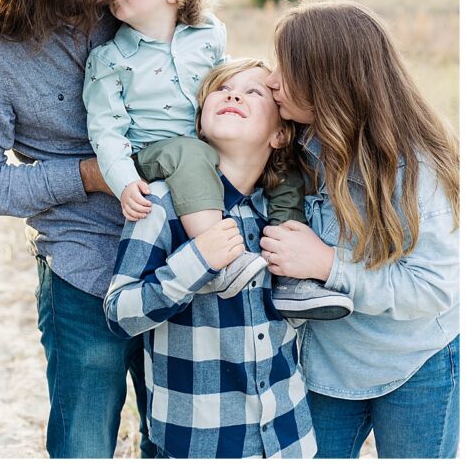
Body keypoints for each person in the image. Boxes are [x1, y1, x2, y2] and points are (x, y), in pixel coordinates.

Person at [0, 0, 152, 458]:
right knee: (84, 438)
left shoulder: (131, 13)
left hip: (177, 251)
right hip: (81, 260)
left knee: (175, 430)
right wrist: (90, 175)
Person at [84, 0, 351, 318]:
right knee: (191, 154)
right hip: (151, 155)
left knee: (286, 175)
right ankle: (223, 261)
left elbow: (225, 82)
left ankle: (293, 278)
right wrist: (123, 182)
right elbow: (106, 131)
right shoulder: (109, 59)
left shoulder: (207, 34)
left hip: (204, 153)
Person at [260, 0, 459, 459]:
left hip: (415, 361)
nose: (272, 80)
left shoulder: (417, 166)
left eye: (287, 68)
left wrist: (328, 264)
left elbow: (432, 289)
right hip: (324, 363)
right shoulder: (297, 139)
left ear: (331, 81)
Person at [104, 59, 317, 458]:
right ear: (200, 123)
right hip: (201, 441)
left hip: (288, 438)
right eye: (221, 89)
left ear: (279, 134)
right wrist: (197, 260)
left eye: (253, 92)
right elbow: (120, 312)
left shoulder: (282, 215)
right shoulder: (162, 204)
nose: (233, 94)